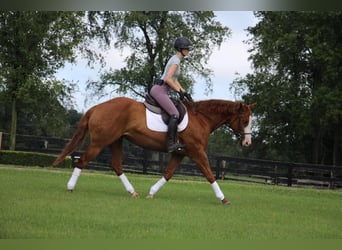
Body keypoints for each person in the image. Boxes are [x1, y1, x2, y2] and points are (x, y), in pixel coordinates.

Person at [150, 36, 193, 153]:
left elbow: (174, 79)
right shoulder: (176, 61)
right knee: (174, 113)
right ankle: (170, 144)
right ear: (181, 49)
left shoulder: (176, 60)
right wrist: (178, 91)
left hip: (163, 89)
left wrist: (184, 91)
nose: (189, 51)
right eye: (187, 49)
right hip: (160, 90)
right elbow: (169, 79)